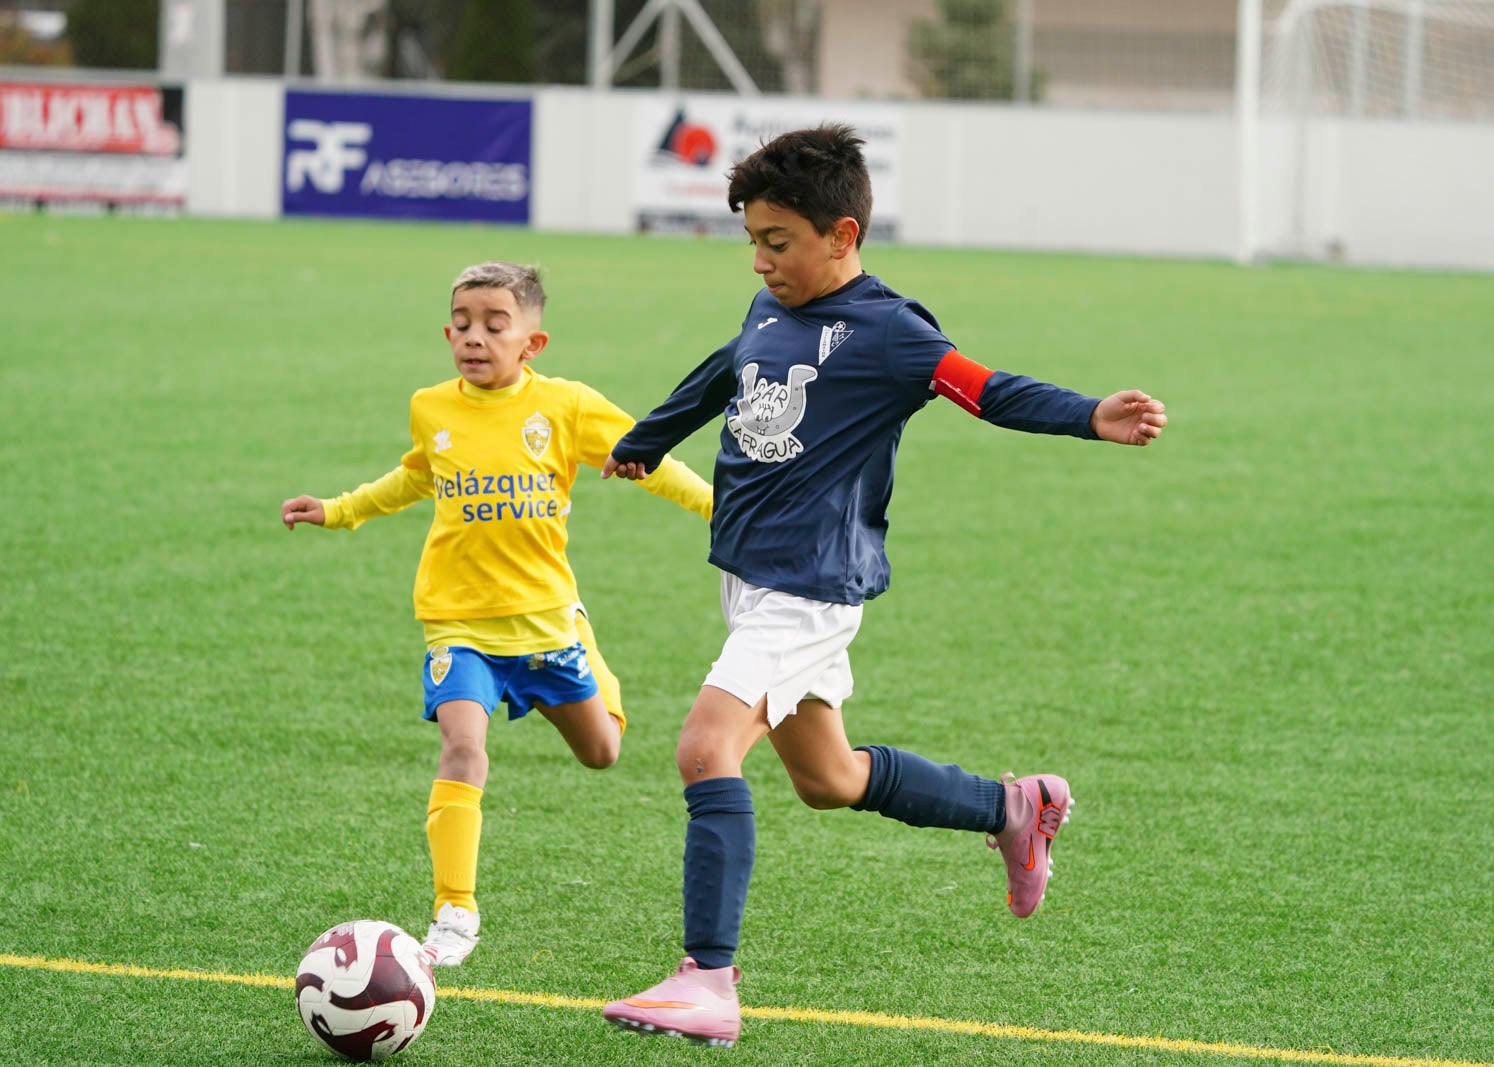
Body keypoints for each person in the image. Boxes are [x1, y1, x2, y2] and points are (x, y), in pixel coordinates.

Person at [597, 126, 1168, 1047]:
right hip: (751, 578)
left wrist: (1087, 415)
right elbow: (726, 370)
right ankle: (1014, 808)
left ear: (843, 235)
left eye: (778, 242)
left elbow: (986, 388)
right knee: (828, 778)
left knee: (706, 748)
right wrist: (649, 438)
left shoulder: (893, 332)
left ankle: (707, 978)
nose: (760, 261)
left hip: (810, 586)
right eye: (753, 241)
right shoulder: (770, 305)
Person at [280, 261, 712, 968]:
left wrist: (717, 507)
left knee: (602, 750)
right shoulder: (432, 407)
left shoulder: (566, 406)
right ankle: (455, 908)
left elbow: (650, 458)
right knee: (462, 748)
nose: (473, 337)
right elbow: (415, 476)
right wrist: (339, 509)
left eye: (493, 324)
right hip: (458, 623)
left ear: (532, 343)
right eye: (462, 324)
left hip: (544, 625)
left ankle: (581, 636)